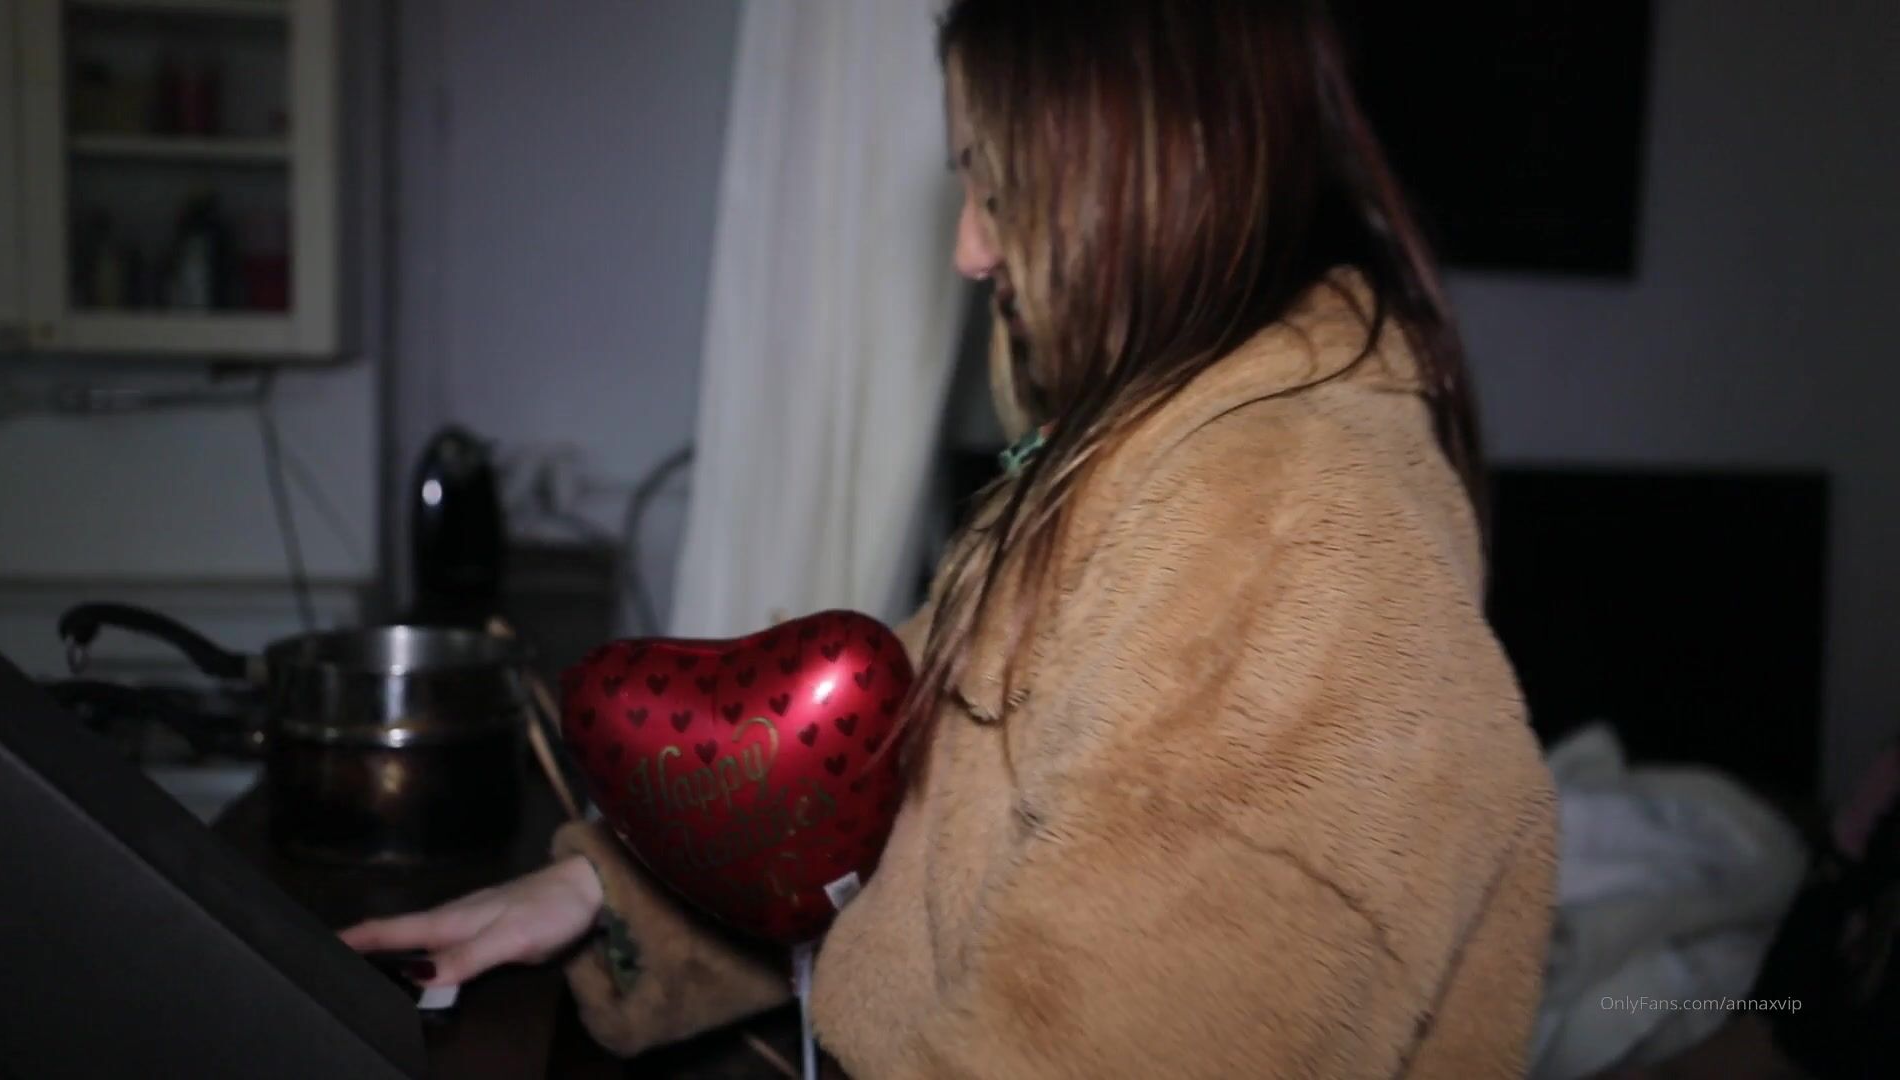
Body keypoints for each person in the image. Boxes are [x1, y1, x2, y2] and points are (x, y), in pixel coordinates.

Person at [342, 2, 1556, 1075]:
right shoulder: (1149, 466)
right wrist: (599, 896)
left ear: (1152, 169)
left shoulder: (1283, 529)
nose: (971, 248)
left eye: (1000, 187)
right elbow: (883, 790)